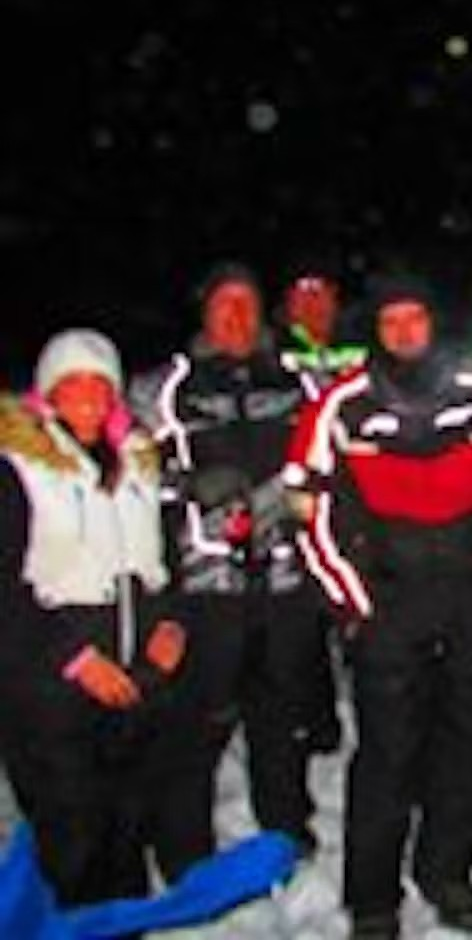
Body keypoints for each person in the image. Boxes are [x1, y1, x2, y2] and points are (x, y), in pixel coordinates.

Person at [284, 272, 472, 939]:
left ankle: (446, 872)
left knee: (468, 744)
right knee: (387, 755)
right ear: (375, 331)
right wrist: (355, 604)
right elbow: (308, 516)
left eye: (416, 318)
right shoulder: (341, 406)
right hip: (389, 603)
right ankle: (373, 900)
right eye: (390, 321)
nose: (404, 332)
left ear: (436, 322)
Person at [0, 330, 212, 907]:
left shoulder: (138, 461)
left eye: (101, 385)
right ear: (48, 393)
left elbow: (166, 558)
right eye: (73, 386)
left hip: (132, 677)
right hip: (53, 681)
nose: (90, 399)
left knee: (128, 822)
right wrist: (73, 658)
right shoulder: (19, 467)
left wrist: (172, 623)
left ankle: (124, 922)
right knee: (74, 833)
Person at [129, 262, 331, 855]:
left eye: (247, 303)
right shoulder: (163, 389)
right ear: (204, 313)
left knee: (282, 719)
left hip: (287, 581)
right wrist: (186, 485)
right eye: (224, 304)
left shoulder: (301, 381)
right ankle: (184, 846)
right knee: (196, 725)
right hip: (205, 588)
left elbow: (344, 455)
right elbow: (123, 476)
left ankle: (285, 829)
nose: (237, 316)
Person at [277, 264, 365, 752]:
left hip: (359, 501)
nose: (313, 305)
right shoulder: (273, 354)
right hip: (299, 499)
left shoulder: (362, 348)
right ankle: (316, 724)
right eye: (302, 294)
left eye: (322, 293)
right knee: (305, 619)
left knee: (364, 613)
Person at [278, 266, 367, 401]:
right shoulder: (276, 347)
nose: (312, 305)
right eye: (301, 297)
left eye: (317, 294)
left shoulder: (363, 339)